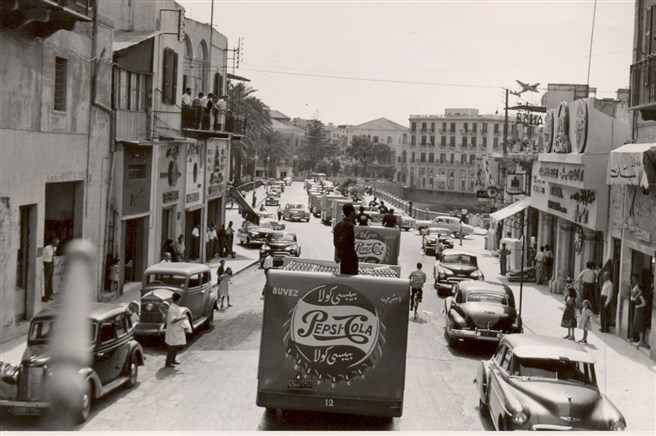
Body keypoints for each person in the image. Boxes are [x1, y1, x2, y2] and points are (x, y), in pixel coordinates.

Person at [333, 203, 358, 275]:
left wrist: (338, 255)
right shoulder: (349, 226)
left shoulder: (338, 225)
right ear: (351, 213)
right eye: (354, 211)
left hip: (342, 260)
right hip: (349, 260)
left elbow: (335, 242)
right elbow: (343, 241)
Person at [164, 293, 187, 368]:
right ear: (179, 299)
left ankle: (173, 360)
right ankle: (168, 362)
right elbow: (172, 320)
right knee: (172, 346)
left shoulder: (175, 307)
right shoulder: (172, 308)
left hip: (176, 329)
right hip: (173, 330)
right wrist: (182, 318)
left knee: (175, 345)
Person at [630, 275, 648, 348]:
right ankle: (639, 340)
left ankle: (640, 341)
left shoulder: (640, 294)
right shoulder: (639, 294)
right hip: (638, 309)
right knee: (637, 324)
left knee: (639, 325)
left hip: (639, 310)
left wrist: (638, 306)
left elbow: (644, 303)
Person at [42, 237, 59, 302]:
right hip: (46, 264)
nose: (56, 245)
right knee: (46, 280)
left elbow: (53, 255)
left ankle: (48, 296)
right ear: (52, 242)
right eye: (55, 243)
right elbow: (42, 256)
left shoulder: (55, 248)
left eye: (57, 243)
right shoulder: (47, 248)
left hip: (51, 263)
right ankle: (44, 297)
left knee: (50, 280)